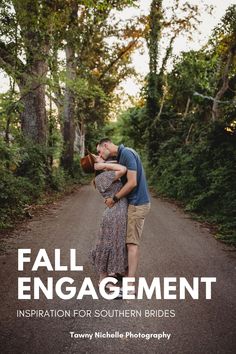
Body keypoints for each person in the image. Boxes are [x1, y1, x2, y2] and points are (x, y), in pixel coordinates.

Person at [96, 138, 151, 295]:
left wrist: (114, 198)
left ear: (106, 145)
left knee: (131, 244)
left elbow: (132, 182)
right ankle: (122, 275)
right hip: (130, 205)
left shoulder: (126, 153)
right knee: (123, 242)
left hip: (137, 203)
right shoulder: (122, 156)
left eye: (99, 152)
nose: (100, 155)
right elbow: (119, 170)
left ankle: (130, 284)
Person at [80, 153, 128, 293]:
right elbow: (123, 169)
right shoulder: (103, 177)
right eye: (98, 157)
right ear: (96, 164)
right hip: (114, 215)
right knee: (107, 245)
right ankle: (103, 281)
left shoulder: (104, 175)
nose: (101, 157)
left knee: (114, 244)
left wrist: (104, 164)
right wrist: (104, 165)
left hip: (116, 213)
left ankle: (111, 274)